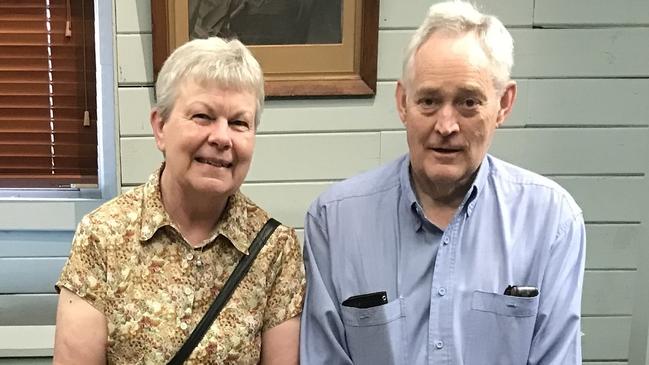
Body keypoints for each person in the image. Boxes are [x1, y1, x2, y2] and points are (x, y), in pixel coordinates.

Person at [300, 1, 586, 364]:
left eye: (468, 102)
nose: (446, 125)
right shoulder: (334, 222)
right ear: (404, 103)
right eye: (429, 101)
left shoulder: (552, 222)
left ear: (504, 103)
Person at [53, 36, 305, 364]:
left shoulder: (275, 250)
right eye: (202, 116)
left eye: (239, 122)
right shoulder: (103, 237)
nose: (221, 137)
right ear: (160, 127)